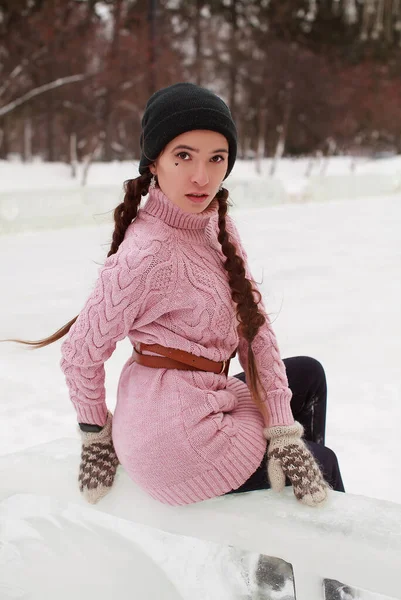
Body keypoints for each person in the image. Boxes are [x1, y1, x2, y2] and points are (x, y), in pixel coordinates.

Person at [5, 82, 345, 508]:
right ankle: (293, 569)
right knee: (324, 463)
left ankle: (282, 540)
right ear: (154, 163)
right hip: (173, 440)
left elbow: (253, 331)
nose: (201, 177)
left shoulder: (214, 223)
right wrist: (95, 434)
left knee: (307, 376)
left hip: (198, 395)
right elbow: (80, 354)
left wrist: (282, 430)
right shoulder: (146, 254)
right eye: (183, 156)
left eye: (216, 158)